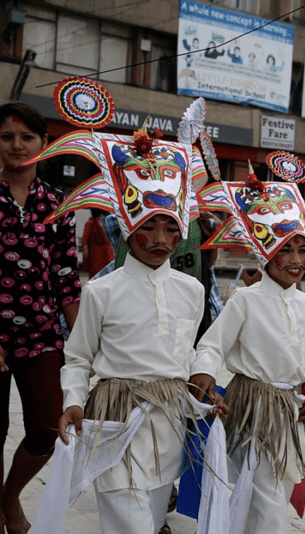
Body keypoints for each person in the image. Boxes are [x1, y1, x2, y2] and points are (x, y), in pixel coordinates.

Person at [27, 116, 226, 534]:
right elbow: (78, 356)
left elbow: (193, 347)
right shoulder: (102, 290)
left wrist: (203, 373)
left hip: (170, 417)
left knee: (151, 514)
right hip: (116, 416)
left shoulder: (191, 289)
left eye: (170, 227)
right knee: (128, 520)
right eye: (148, 226)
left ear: (181, 233)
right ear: (127, 226)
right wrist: (73, 400)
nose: (159, 238)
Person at [195, 161, 305, 533]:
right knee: (266, 498)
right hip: (252, 406)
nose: (298, 261)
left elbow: (297, 356)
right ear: (266, 253)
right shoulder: (245, 300)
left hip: (290, 410)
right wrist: (204, 373)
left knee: (276, 492)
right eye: (287, 250)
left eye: (304, 251)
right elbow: (212, 345)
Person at [0, 102, 82, 534]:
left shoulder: (58, 203)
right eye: (7, 137)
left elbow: (66, 277)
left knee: (47, 429)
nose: (16, 145)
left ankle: (8, 496)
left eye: (26, 137)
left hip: (42, 334)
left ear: (43, 144)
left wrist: (87, 342)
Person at [82, 208, 115, 279]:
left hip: (106, 253)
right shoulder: (90, 223)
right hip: (96, 254)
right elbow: (85, 239)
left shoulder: (105, 221)